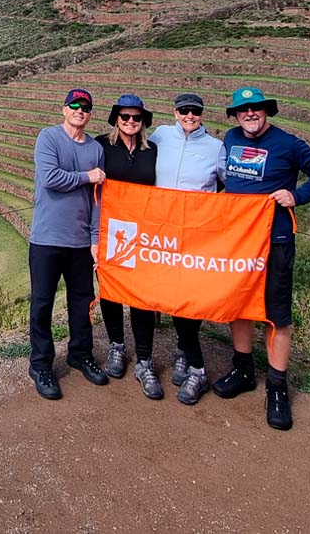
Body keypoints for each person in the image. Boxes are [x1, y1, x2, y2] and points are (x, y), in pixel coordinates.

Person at [215, 85, 310, 430]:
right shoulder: (229, 139)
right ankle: (242, 369)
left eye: (255, 109)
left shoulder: (288, 143)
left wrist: (296, 196)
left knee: (276, 313)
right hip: (238, 239)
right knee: (238, 304)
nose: (249, 115)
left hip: (275, 240)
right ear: (236, 116)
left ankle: (277, 388)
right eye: (243, 111)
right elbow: (227, 181)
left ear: (266, 111)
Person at [27, 87, 109, 400]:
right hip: (47, 238)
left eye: (85, 107)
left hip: (79, 242)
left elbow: (96, 201)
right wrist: (88, 176)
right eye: (74, 105)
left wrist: (94, 238)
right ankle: (41, 364)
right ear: (64, 109)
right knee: (42, 304)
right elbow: (51, 178)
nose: (80, 110)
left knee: (81, 302)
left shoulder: (94, 148)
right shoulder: (47, 138)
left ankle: (80, 353)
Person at [149, 92, 226, 406]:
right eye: (184, 110)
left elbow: (225, 186)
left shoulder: (216, 148)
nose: (189, 115)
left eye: (195, 111)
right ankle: (183, 349)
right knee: (169, 296)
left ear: (202, 113)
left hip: (195, 236)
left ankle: (195, 366)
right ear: (175, 111)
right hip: (161, 233)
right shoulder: (161, 136)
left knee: (188, 301)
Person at [93, 94, 162, 399]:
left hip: (145, 232)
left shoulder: (152, 151)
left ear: (143, 121)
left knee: (142, 297)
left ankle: (145, 360)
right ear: (116, 119)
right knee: (111, 291)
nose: (130, 122)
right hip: (111, 232)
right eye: (125, 117)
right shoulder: (101, 146)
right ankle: (117, 346)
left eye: (136, 118)